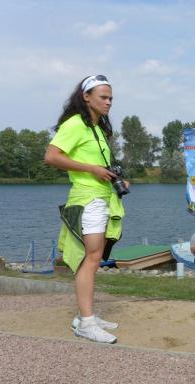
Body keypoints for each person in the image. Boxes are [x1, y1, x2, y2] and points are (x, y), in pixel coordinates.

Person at [44, 75, 126, 344]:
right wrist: (91, 169)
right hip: (87, 199)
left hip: (101, 197)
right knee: (89, 259)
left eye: (111, 98)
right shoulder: (75, 124)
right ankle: (86, 324)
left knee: (94, 257)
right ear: (86, 97)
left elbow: (99, 165)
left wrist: (115, 179)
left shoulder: (97, 128)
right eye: (103, 97)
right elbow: (51, 156)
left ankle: (85, 316)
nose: (109, 102)